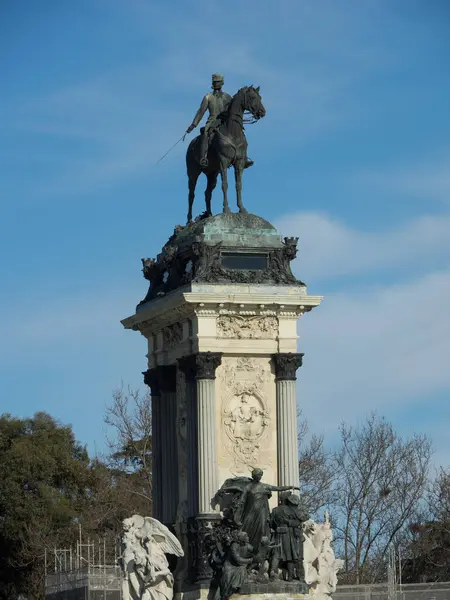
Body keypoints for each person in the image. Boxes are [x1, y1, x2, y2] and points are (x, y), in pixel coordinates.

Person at [186, 73, 253, 168]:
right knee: (205, 133)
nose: (216, 84)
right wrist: (193, 125)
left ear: (222, 83)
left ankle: (243, 158)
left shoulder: (227, 97)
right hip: (212, 121)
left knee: (240, 134)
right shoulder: (208, 97)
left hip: (224, 121)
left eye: (218, 82)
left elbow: (232, 111)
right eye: (215, 82)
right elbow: (201, 112)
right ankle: (203, 157)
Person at [233, 468, 300, 554]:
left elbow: (277, 488)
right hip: (250, 511)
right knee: (246, 527)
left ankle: (258, 550)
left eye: (260, 475)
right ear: (253, 476)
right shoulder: (248, 486)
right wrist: (238, 505)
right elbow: (242, 498)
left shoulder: (264, 486)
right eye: (258, 475)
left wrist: (290, 487)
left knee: (262, 530)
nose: (259, 477)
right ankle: (245, 549)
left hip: (261, 512)